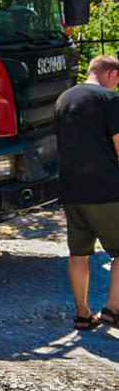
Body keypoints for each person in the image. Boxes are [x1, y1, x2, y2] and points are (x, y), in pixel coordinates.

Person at [54, 54, 119, 331]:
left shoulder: (63, 99)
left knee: (78, 253)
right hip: (105, 191)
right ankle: (112, 311)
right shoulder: (109, 100)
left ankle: (82, 315)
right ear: (112, 75)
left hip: (71, 190)